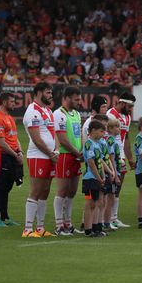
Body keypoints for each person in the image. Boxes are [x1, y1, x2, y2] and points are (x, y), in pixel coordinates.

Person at [22, 82, 58, 238]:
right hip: (38, 155)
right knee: (35, 191)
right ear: (38, 93)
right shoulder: (32, 111)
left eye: (51, 92)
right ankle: (27, 229)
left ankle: (40, 227)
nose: (51, 95)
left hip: (49, 155)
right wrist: (50, 153)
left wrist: (55, 150)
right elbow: (36, 138)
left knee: (45, 191)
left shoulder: (48, 111)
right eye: (48, 92)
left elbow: (54, 133)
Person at [0, 92, 23, 227]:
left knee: (7, 187)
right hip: (2, 156)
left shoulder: (9, 117)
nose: (14, 104)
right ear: (4, 102)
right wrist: (15, 155)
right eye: (12, 101)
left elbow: (15, 138)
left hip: (12, 156)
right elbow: (1, 142)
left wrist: (20, 152)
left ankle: (5, 216)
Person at [53, 86, 83, 236]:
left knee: (72, 191)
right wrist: (77, 152)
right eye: (76, 99)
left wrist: (82, 151)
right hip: (65, 155)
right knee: (62, 190)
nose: (80, 102)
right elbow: (62, 140)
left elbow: (79, 135)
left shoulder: (76, 114)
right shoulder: (59, 114)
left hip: (76, 156)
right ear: (67, 98)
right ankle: (59, 225)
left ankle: (68, 223)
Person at [106, 92, 135, 228]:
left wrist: (129, 158)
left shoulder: (127, 117)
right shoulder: (109, 115)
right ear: (122, 103)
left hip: (121, 156)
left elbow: (126, 138)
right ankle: (107, 218)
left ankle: (114, 217)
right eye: (129, 106)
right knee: (110, 186)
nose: (130, 109)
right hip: (111, 154)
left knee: (118, 187)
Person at [81, 119, 107, 237]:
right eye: (101, 131)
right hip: (90, 179)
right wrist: (98, 177)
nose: (103, 134)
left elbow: (100, 161)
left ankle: (96, 228)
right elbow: (91, 163)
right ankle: (88, 229)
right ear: (93, 131)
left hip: (97, 178)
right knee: (90, 204)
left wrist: (103, 175)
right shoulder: (88, 143)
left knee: (97, 203)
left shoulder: (97, 144)